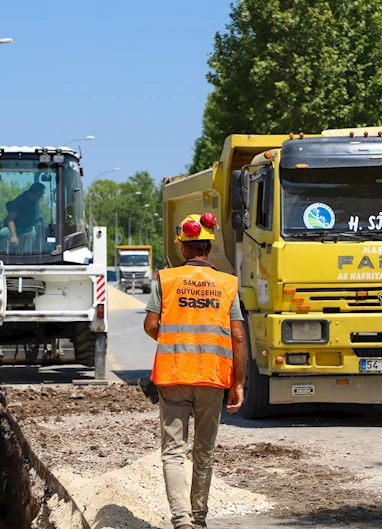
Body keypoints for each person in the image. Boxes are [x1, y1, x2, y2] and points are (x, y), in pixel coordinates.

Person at [143, 213, 247, 529]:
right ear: (209, 247)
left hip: (174, 374)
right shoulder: (227, 284)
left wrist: (175, 340)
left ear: (184, 248)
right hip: (212, 377)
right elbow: (238, 336)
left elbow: (150, 325)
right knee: (204, 450)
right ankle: (198, 517)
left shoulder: (167, 279)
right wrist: (238, 383)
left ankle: (181, 520)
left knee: (173, 452)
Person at [0, 182, 46, 252]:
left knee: (34, 231)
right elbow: (10, 219)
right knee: (3, 233)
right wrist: (13, 236)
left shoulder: (33, 202)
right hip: (15, 229)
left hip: (27, 230)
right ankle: (4, 254)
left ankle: (29, 255)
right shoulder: (20, 201)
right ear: (35, 192)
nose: (41, 196)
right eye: (40, 194)